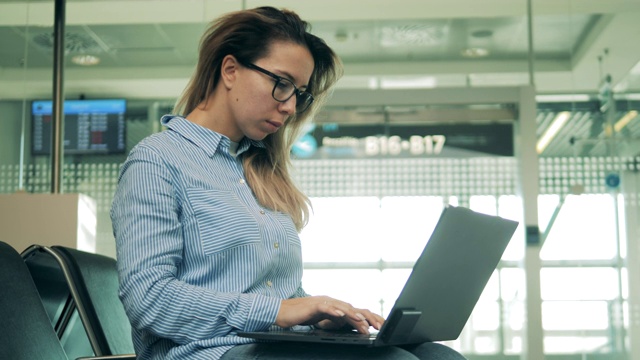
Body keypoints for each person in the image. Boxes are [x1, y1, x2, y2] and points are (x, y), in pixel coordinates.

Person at [111, 6, 467, 360]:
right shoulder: (157, 160)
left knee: (438, 356)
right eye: (282, 84)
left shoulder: (257, 168)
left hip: (272, 348)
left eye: (299, 93)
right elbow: (149, 299)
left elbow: (277, 293)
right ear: (230, 70)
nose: (291, 106)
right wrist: (279, 312)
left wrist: (318, 320)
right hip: (210, 354)